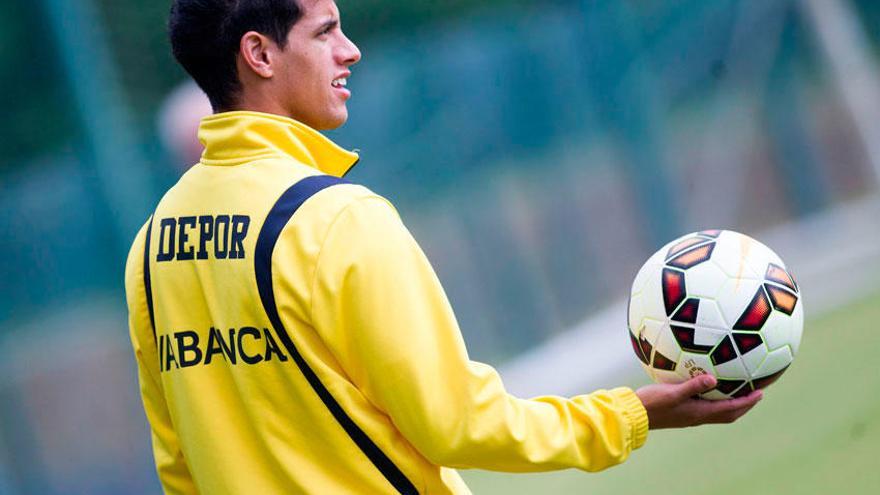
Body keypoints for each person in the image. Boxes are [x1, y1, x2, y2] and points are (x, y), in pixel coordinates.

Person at [124, 1, 763, 493]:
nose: (351, 51)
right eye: (325, 32)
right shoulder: (334, 220)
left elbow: (180, 465)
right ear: (259, 54)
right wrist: (631, 415)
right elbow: (459, 423)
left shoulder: (150, 251)